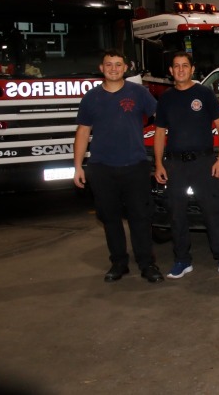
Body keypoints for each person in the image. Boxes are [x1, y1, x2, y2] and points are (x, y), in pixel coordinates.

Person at [73, 50, 163, 283]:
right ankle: (118, 263)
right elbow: (83, 132)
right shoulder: (91, 98)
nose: (113, 68)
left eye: (118, 65)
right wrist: (78, 166)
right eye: (109, 65)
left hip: (136, 166)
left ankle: (147, 264)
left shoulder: (139, 93)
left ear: (125, 69)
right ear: (101, 68)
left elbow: (161, 118)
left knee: (140, 218)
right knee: (110, 219)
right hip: (102, 168)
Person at [153, 51, 219, 279]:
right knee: (176, 214)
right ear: (171, 71)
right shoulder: (166, 99)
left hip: (203, 162)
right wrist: (159, 164)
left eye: (185, 66)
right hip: (175, 165)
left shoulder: (204, 94)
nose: (180, 70)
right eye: (176, 66)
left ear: (192, 69)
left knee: (213, 212)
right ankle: (182, 260)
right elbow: (160, 134)